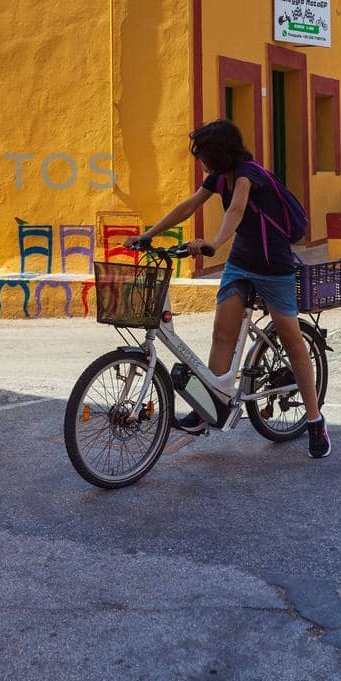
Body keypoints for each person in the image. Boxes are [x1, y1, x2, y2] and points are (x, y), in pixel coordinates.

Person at [131, 119, 330, 459]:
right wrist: (150, 234)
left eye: (204, 154)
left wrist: (214, 242)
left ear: (220, 152)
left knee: (293, 341)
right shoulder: (218, 177)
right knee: (222, 333)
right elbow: (189, 205)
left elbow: (237, 208)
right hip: (240, 265)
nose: (201, 160)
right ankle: (210, 407)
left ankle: (314, 420)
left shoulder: (247, 174)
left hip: (273, 268)